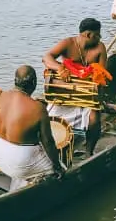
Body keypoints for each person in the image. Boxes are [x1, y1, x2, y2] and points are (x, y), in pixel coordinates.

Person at [0, 66, 64, 190]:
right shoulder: (38, 108)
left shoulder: (1, 95)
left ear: (15, 80)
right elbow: (48, 142)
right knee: (58, 166)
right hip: (20, 162)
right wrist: (58, 166)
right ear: (34, 83)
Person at [43, 19, 108, 153]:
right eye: (98, 35)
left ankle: (89, 152)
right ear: (89, 35)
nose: (100, 38)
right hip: (66, 93)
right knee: (47, 117)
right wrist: (60, 68)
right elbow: (47, 57)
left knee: (95, 118)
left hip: (88, 95)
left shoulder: (100, 48)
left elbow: (102, 75)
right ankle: (51, 147)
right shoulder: (68, 43)